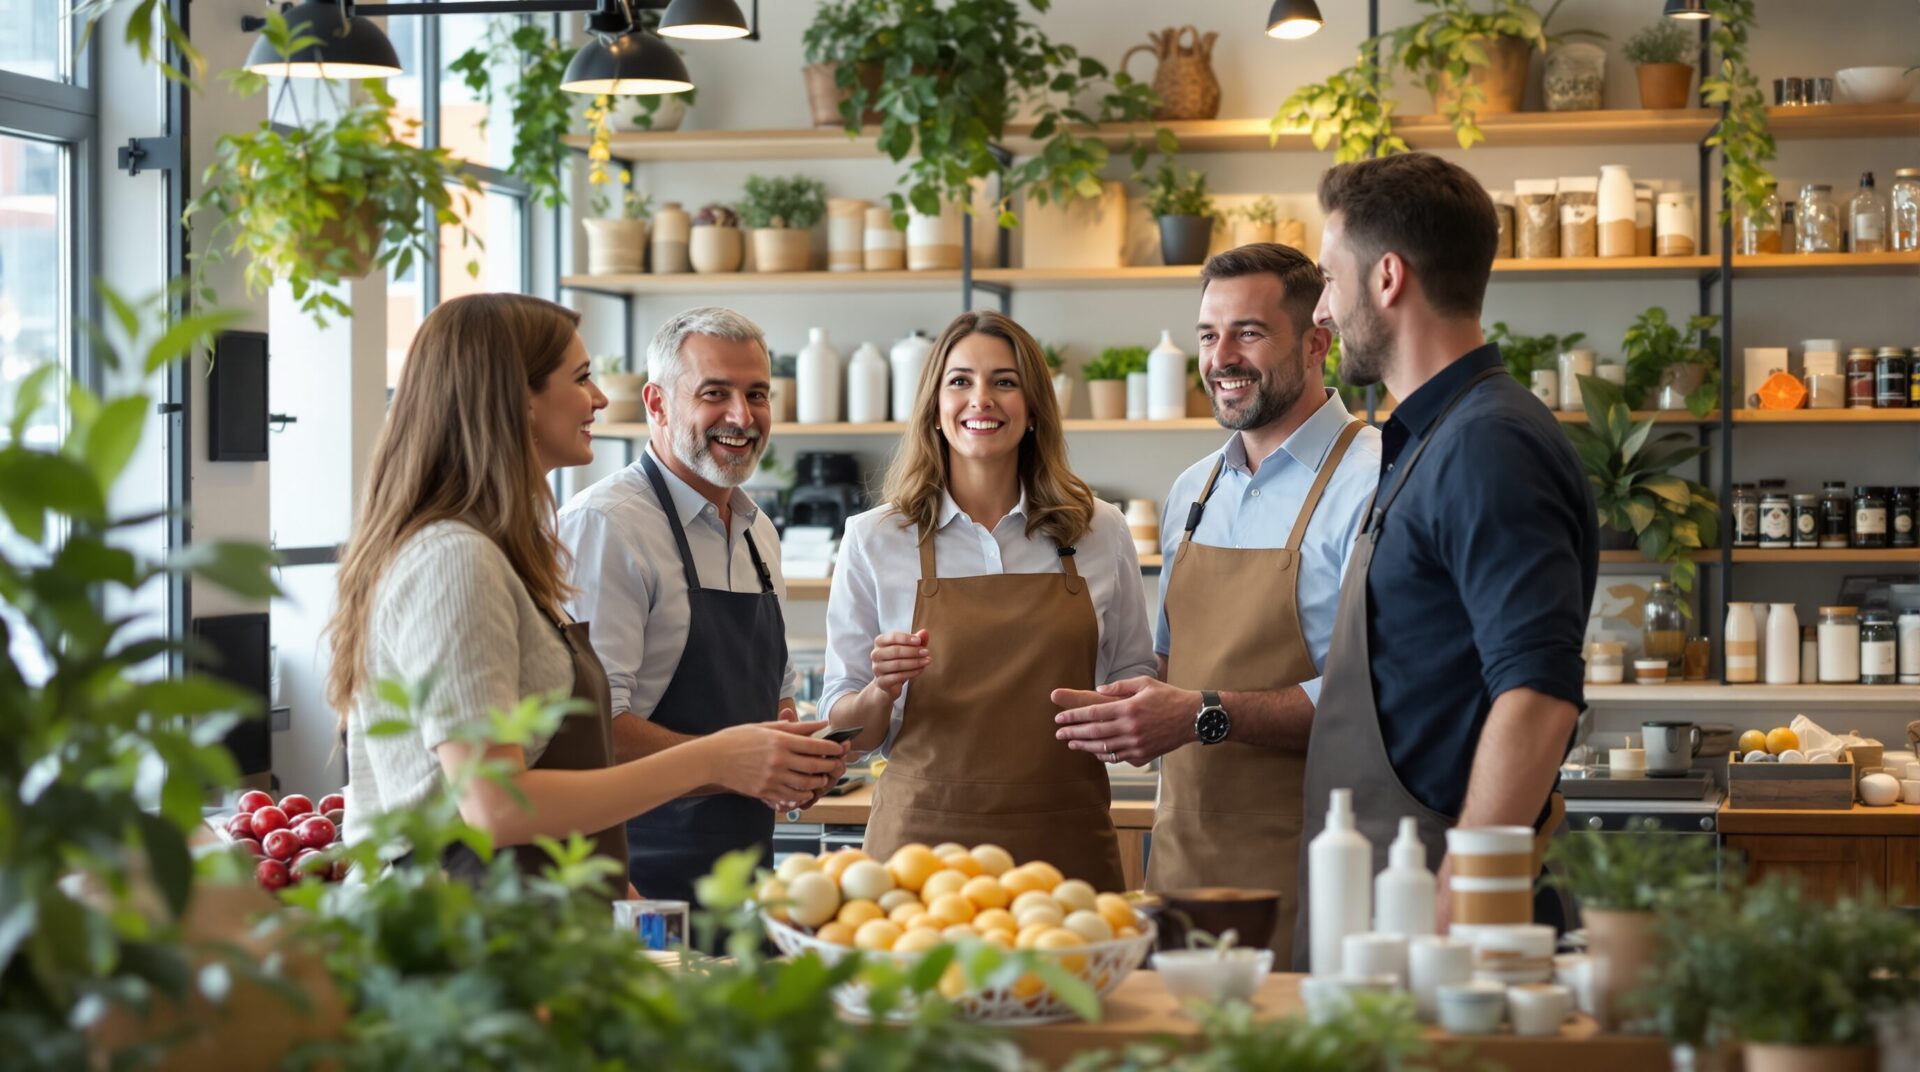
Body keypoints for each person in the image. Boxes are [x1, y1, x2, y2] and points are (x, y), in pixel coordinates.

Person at [331, 294, 846, 895]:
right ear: (515, 399)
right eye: (581, 378)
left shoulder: (498, 552)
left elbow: (549, 769)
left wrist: (632, 920)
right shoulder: (455, 558)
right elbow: (495, 805)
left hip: (546, 914)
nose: (600, 399)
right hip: (457, 935)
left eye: (757, 393)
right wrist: (716, 760)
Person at [1295, 153, 1597, 961]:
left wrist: (1464, 892)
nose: (1322, 310)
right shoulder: (1432, 436)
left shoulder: (1485, 443)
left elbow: (1538, 690)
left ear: (1387, 277)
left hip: (1447, 915)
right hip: (1396, 882)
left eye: (1329, 278)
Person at [1049, 244, 1381, 960]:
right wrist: (1133, 705)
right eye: (1208, 335)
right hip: (1184, 863)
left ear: (1317, 342)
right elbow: (1176, 661)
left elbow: (1377, 694)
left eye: (1249, 333)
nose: (1221, 357)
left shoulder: (1376, 480)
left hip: (1315, 862)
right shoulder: (1193, 490)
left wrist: (1202, 714)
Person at [819, 310, 1157, 890]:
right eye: (960, 381)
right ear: (935, 406)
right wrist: (880, 690)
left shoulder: (1100, 530)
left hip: (1064, 848)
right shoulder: (875, 537)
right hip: (918, 853)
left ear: (1032, 408)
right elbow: (845, 733)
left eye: (1004, 381)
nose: (982, 399)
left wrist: (1129, 718)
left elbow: (1133, 677)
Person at [559, 306, 846, 906]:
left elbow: (775, 695)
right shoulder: (607, 526)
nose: (742, 417)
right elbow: (589, 733)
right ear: (657, 404)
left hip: (745, 879)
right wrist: (734, 762)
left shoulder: (758, 530)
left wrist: (795, 756)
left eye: (757, 394)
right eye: (715, 393)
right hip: (638, 875)